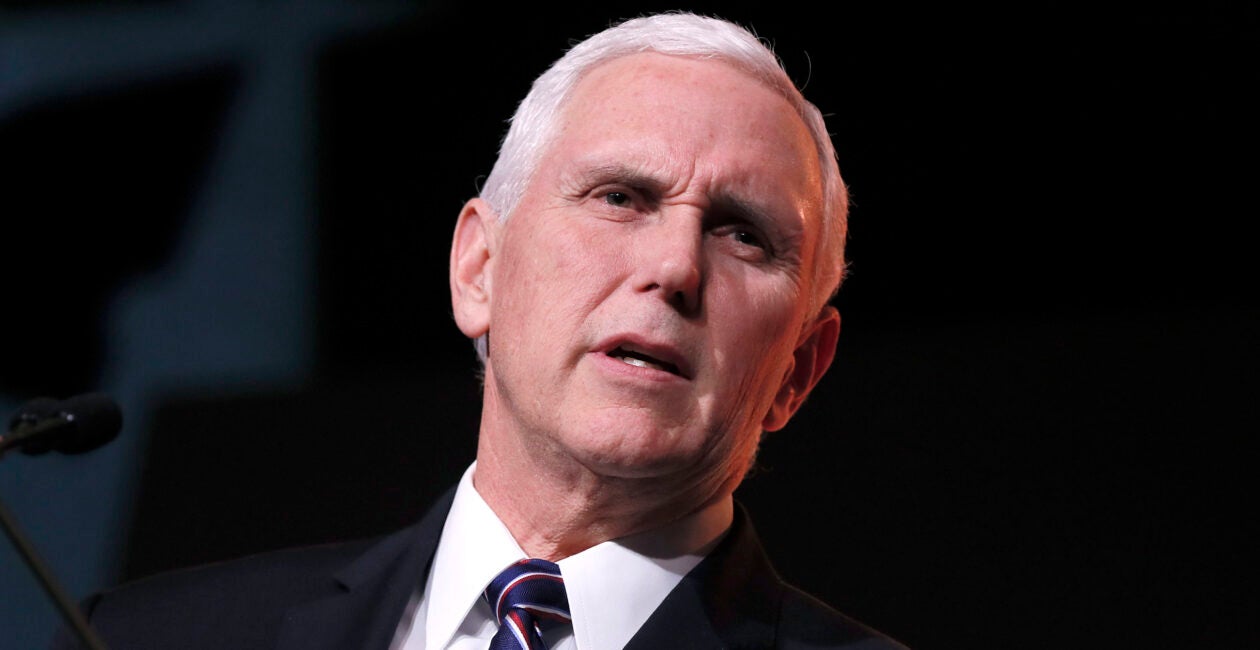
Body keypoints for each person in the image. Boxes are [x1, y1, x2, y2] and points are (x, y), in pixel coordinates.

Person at [53, 12, 908, 650]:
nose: (676, 267)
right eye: (620, 197)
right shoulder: (139, 638)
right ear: (479, 269)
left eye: (744, 236)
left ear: (799, 370)